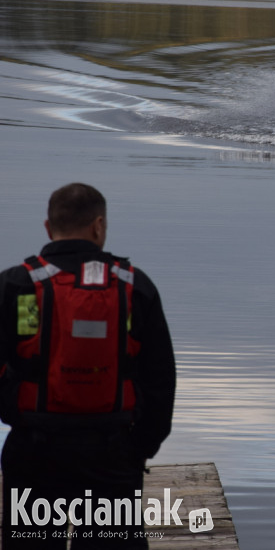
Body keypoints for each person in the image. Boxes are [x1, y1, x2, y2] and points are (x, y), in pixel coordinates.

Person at [0, 183, 176, 549]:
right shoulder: (135, 288)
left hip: (34, 450)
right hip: (111, 452)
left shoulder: (16, 286)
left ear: (48, 228)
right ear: (98, 226)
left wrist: (14, 412)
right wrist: (140, 447)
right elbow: (160, 379)